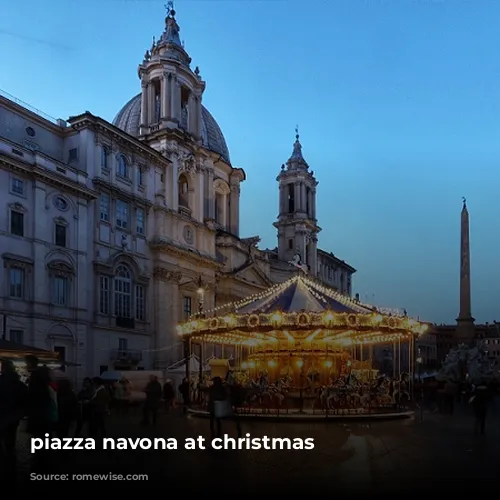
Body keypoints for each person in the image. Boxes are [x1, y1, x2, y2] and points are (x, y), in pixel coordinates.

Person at [0, 360, 28, 478]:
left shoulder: (1, 381)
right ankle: (11, 464)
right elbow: (25, 400)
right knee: (10, 441)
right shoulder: (18, 383)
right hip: (13, 416)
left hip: (2, 414)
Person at [208, 377, 242, 441]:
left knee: (213, 420)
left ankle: (215, 433)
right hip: (222, 407)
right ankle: (238, 431)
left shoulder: (212, 388)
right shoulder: (222, 388)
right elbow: (226, 396)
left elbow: (211, 397)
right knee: (228, 419)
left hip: (213, 406)